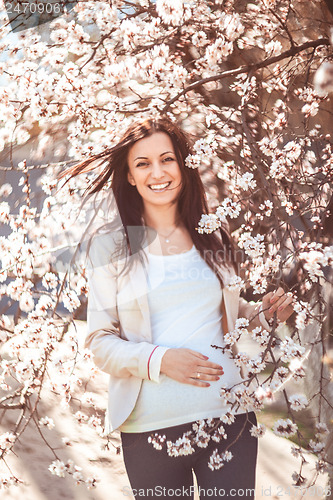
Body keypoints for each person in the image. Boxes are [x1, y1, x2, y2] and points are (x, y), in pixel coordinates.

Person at [63, 116, 295, 499]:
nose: (158, 172)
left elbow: (226, 320)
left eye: (167, 159)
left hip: (230, 418)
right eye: (143, 163)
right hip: (150, 428)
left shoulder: (214, 234)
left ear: (183, 165)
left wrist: (263, 315)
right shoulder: (110, 246)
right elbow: (100, 343)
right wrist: (162, 360)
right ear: (130, 177)